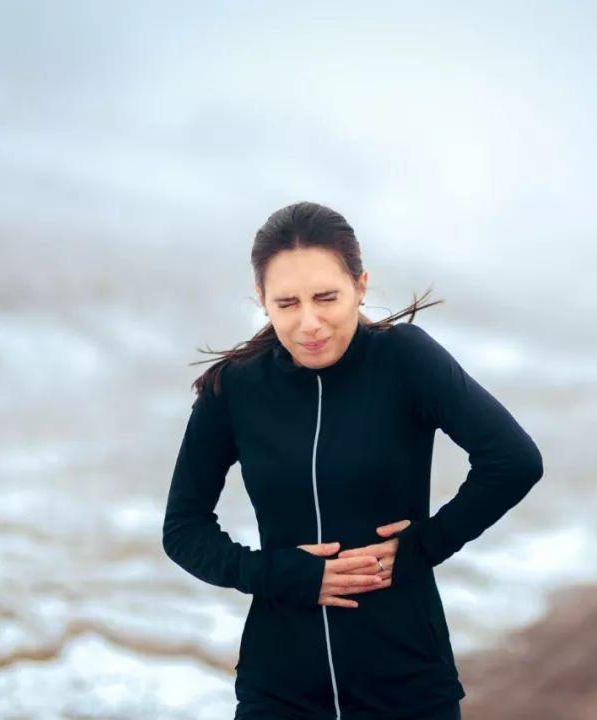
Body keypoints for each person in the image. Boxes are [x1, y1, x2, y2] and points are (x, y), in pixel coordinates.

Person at [161, 201, 544, 720]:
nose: (309, 323)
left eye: (326, 297)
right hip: (279, 688)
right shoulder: (236, 388)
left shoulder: (404, 359)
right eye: (287, 303)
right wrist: (276, 573)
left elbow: (513, 461)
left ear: (360, 286)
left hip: (407, 682)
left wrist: (421, 547)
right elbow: (183, 528)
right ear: (262, 300)